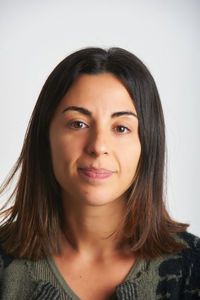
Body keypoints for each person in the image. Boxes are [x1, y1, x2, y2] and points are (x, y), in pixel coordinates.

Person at [0, 47, 199, 300]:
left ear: (148, 144)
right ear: (45, 137)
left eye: (121, 128)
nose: (98, 146)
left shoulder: (193, 268)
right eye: (78, 124)